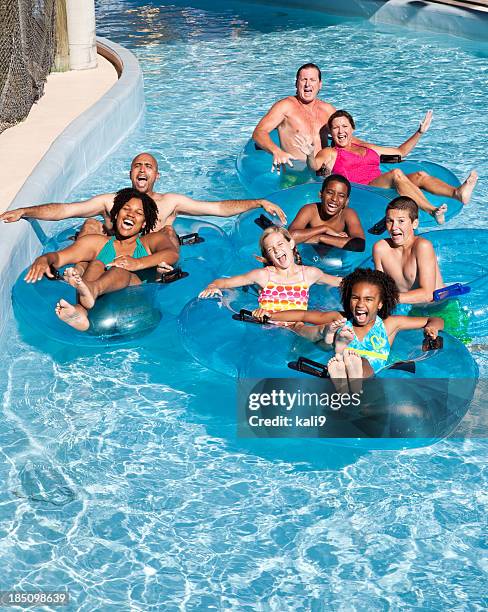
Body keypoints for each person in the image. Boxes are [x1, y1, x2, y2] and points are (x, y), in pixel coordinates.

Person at [0, 152, 287, 234]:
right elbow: (65, 210)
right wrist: (26, 211)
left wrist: (258, 201)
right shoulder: (111, 201)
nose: (142, 169)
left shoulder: (171, 202)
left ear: (156, 175)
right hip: (114, 256)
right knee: (89, 226)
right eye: (137, 165)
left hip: (150, 260)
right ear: (130, 174)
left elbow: (218, 208)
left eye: (148, 166)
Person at [260, 268, 444, 390]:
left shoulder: (390, 323)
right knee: (343, 353)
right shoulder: (340, 319)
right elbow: (303, 315)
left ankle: (346, 380)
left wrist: (432, 329)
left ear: (380, 304)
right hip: (347, 363)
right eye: (355, 298)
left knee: (361, 362)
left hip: (370, 366)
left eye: (368, 300)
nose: (360, 304)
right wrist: (268, 315)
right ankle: (346, 380)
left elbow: (434, 319)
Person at [24, 188, 179, 332]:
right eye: (126, 209)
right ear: (117, 214)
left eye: (138, 213)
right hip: (102, 315)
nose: (131, 214)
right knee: (96, 264)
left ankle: (91, 291)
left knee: (119, 271)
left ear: (144, 223)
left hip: (139, 312)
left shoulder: (150, 241)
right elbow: (60, 256)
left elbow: (172, 253)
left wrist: (137, 263)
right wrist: (44, 258)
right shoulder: (97, 243)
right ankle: (81, 313)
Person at [295, 109, 478, 224]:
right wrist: (310, 154)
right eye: (335, 128)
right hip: (362, 191)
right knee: (396, 174)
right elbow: (314, 166)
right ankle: (431, 211)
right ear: (331, 132)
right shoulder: (330, 152)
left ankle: (457, 193)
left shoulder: (366, 147)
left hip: (380, 185)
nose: (340, 131)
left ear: (352, 128)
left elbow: (400, 153)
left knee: (420, 175)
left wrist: (419, 132)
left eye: (344, 126)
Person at [374, 196, 470, 341]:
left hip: (443, 311)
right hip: (416, 313)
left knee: (457, 353)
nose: (394, 227)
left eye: (401, 221)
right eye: (390, 221)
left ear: (414, 223)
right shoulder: (381, 249)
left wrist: (389, 298)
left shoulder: (422, 246)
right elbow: (378, 288)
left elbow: (427, 294)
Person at [199, 226, 341, 315]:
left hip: (297, 328)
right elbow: (224, 282)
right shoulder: (263, 275)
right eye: (270, 249)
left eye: (280, 244)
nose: (277, 250)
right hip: (269, 326)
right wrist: (212, 286)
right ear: (268, 256)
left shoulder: (309, 274)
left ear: (291, 243)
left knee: (301, 326)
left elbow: (339, 282)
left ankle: (325, 333)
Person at [252, 63, 337, 173]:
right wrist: (276, 151)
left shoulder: (328, 110)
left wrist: (365, 147)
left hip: (322, 174)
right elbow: (259, 132)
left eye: (312, 80)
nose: (308, 84)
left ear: (320, 84)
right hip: (296, 175)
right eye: (303, 80)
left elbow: (345, 136)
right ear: (296, 83)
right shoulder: (285, 106)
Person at [288, 174, 365, 251]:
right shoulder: (309, 210)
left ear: (346, 201)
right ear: (321, 194)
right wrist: (324, 229)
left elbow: (359, 244)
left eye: (341, 196)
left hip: (335, 257)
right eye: (330, 192)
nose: (334, 199)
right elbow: (289, 237)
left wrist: (320, 238)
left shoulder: (348, 214)